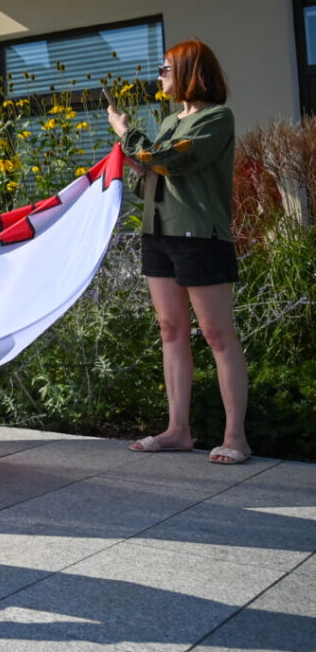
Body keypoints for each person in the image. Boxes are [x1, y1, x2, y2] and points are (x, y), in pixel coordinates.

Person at [108, 39, 249, 465]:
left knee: (217, 335)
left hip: (200, 237)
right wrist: (134, 169)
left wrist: (127, 136)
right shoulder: (170, 121)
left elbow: (169, 162)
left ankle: (236, 438)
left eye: (166, 67)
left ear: (190, 70)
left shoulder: (217, 118)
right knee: (171, 331)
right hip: (159, 234)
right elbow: (153, 177)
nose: (160, 74)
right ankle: (178, 431)